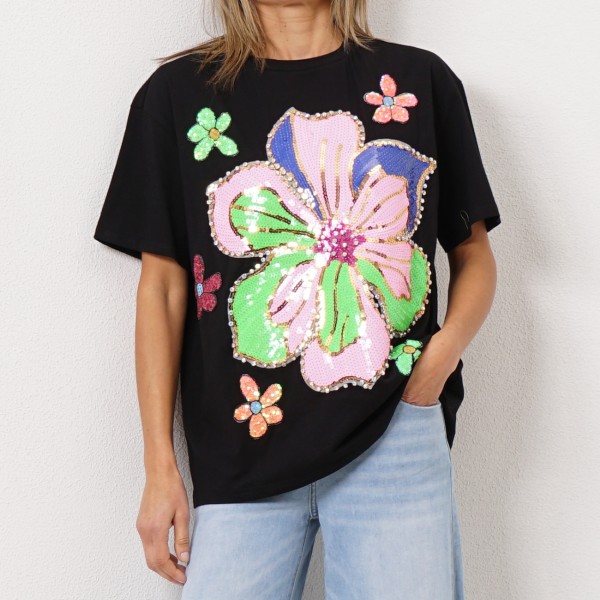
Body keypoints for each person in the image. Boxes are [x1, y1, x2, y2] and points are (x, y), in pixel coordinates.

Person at [93, 0, 501, 597]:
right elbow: (161, 288)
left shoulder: (420, 81)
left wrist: (438, 362)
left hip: (393, 433)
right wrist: (159, 465)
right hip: (240, 446)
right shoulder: (177, 95)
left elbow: (474, 254)